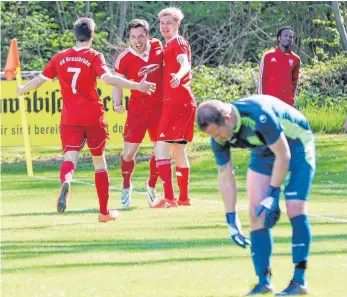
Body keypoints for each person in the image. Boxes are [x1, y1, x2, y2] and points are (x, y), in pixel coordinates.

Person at [17, 17, 156, 222]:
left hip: (70, 118)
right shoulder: (93, 56)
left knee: (69, 158)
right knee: (99, 164)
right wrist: (137, 86)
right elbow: (108, 79)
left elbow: (40, 80)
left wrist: (22, 89)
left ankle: (67, 180)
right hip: (92, 117)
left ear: (75, 34)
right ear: (92, 35)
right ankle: (104, 212)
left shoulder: (60, 56)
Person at [197, 95, 315, 296]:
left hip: (295, 144)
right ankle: (264, 281)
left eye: (218, 134)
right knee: (255, 213)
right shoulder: (218, 134)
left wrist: (272, 194)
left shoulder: (259, 115)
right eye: (213, 136)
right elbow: (225, 175)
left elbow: (283, 155)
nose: (217, 139)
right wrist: (231, 218)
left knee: (294, 208)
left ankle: (299, 281)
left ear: (227, 118)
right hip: (264, 149)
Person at [113, 19, 163, 208]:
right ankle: (126, 186)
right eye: (133, 37)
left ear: (148, 35)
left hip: (158, 108)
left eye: (141, 36)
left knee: (161, 152)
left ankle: (151, 185)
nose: (137, 40)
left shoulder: (159, 47)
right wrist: (117, 102)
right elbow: (117, 82)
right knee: (129, 153)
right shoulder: (123, 57)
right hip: (137, 109)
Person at [151, 7, 197, 208]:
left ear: (178, 24)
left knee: (161, 149)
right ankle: (184, 198)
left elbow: (184, 63)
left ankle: (169, 198)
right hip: (184, 102)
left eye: (169, 22)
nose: (164, 26)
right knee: (179, 152)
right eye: (162, 23)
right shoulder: (168, 44)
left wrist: (178, 75)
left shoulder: (177, 43)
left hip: (178, 102)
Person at [258, 26, 300, 107]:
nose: (288, 38)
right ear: (279, 38)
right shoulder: (268, 56)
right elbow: (261, 80)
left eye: (290, 37)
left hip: (286, 103)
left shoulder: (296, 59)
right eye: (285, 35)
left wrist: (292, 100)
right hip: (268, 102)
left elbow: (295, 83)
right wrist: (261, 99)